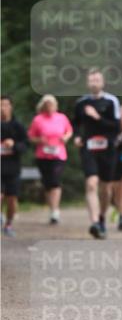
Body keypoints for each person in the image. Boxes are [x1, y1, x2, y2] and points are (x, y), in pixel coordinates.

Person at [73, 68, 121, 239]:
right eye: (91, 80)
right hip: (89, 148)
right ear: (87, 83)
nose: (94, 82)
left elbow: (116, 127)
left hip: (108, 148)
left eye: (97, 80)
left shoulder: (111, 101)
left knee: (106, 188)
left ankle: (101, 218)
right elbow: (76, 125)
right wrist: (77, 137)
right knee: (91, 183)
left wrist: (97, 117)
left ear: (102, 82)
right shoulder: (80, 103)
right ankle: (94, 222)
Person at [27, 94, 73, 224]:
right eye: (47, 104)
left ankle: (56, 211)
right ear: (43, 106)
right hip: (43, 154)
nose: (50, 107)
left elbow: (69, 130)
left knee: (55, 180)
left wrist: (65, 138)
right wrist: (39, 140)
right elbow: (30, 136)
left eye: (52, 104)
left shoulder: (61, 118)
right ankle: (52, 209)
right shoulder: (38, 120)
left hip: (59, 154)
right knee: (47, 183)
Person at [1, 95, 28, 236]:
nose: (2, 108)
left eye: (5, 104)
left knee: (12, 199)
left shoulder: (18, 126)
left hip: (13, 168)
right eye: (0, 105)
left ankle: (8, 224)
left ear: (10, 106)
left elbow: (25, 145)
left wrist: (14, 145)